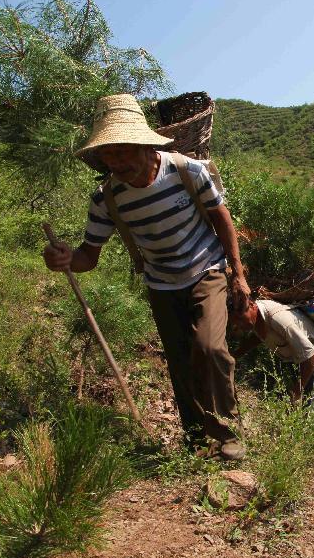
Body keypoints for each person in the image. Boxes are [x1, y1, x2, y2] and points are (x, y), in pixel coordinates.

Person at [43, 94, 249, 460]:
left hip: (206, 267)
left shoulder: (187, 170)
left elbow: (222, 218)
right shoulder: (107, 199)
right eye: (109, 154)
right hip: (161, 282)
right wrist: (63, 259)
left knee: (210, 347)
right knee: (180, 361)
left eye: (124, 151)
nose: (117, 161)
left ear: (144, 144)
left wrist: (238, 273)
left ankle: (228, 431)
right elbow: (88, 256)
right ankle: (195, 439)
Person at [229, 298, 314, 438]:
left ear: (252, 306)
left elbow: (312, 355)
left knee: (310, 412)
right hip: (301, 359)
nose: (238, 325)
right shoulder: (257, 317)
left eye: (240, 319)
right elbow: (259, 336)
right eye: (234, 321)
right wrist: (235, 355)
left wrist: (297, 391)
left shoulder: (278, 318)